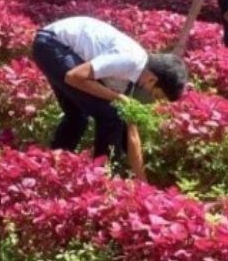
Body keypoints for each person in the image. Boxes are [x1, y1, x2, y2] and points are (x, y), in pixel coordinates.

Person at [31, 16, 188, 180]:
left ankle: (51, 171)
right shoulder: (130, 61)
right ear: (152, 79)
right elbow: (74, 76)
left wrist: (143, 181)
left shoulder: (133, 72)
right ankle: (101, 180)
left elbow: (130, 132)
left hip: (51, 44)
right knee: (110, 115)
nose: (152, 98)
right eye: (156, 94)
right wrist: (119, 98)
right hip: (52, 44)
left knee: (78, 117)